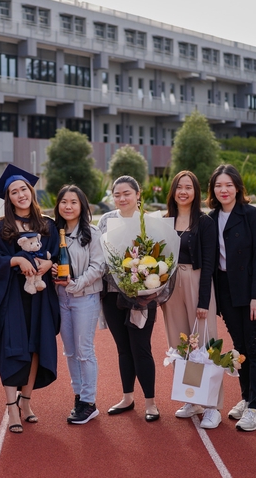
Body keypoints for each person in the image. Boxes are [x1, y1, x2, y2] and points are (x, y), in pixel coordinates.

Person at [0, 164, 60, 434]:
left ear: (31, 191)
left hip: (39, 297)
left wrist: (49, 265)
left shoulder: (48, 225)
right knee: (12, 348)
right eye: (14, 191)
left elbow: (57, 256)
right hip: (11, 296)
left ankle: (26, 402)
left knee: (37, 346)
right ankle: (11, 407)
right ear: (8, 198)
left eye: (23, 189)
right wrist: (15, 259)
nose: (20, 195)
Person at [207, 164, 256, 432]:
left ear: (237, 188)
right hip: (226, 292)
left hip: (252, 293)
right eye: (219, 186)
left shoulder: (251, 215)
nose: (224, 190)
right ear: (213, 189)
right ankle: (246, 399)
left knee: (255, 349)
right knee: (240, 349)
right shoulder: (210, 218)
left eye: (228, 185)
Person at [161, 170, 222, 429]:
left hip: (197, 283)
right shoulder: (165, 221)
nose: (183, 191)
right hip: (171, 285)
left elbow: (209, 264)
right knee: (180, 344)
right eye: (179, 187)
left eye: (189, 187)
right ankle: (191, 399)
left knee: (205, 344)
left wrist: (203, 301)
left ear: (196, 192)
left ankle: (212, 406)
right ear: (173, 191)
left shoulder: (205, 222)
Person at [98, 175, 160, 422]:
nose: (122, 198)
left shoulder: (150, 222)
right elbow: (100, 256)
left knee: (141, 348)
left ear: (138, 194)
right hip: (112, 296)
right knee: (123, 348)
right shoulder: (105, 220)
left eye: (127, 193)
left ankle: (151, 403)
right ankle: (127, 397)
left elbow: (160, 260)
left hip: (141, 298)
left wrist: (144, 284)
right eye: (117, 194)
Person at [53, 185, 107, 425]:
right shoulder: (54, 233)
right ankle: (79, 397)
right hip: (61, 298)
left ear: (82, 205)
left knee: (84, 351)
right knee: (70, 351)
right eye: (64, 202)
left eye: (73, 202)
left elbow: (99, 267)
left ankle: (89, 402)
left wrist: (76, 284)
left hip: (85, 297)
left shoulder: (92, 234)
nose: (68, 206)